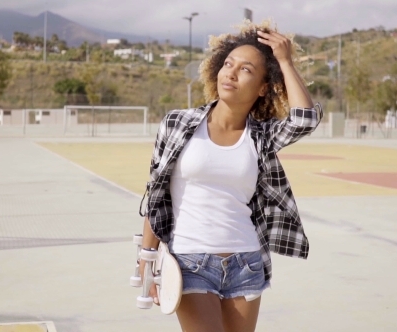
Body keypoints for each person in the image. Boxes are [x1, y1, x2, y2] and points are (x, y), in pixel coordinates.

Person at [138, 20, 322, 332]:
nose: (231, 73)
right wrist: (147, 257)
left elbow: (304, 120)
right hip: (190, 262)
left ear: (263, 87)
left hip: (246, 263)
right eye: (227, 64)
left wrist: (285, 60)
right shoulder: (178, 123)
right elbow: (156, 192)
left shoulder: (261, 137)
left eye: (246, 69)